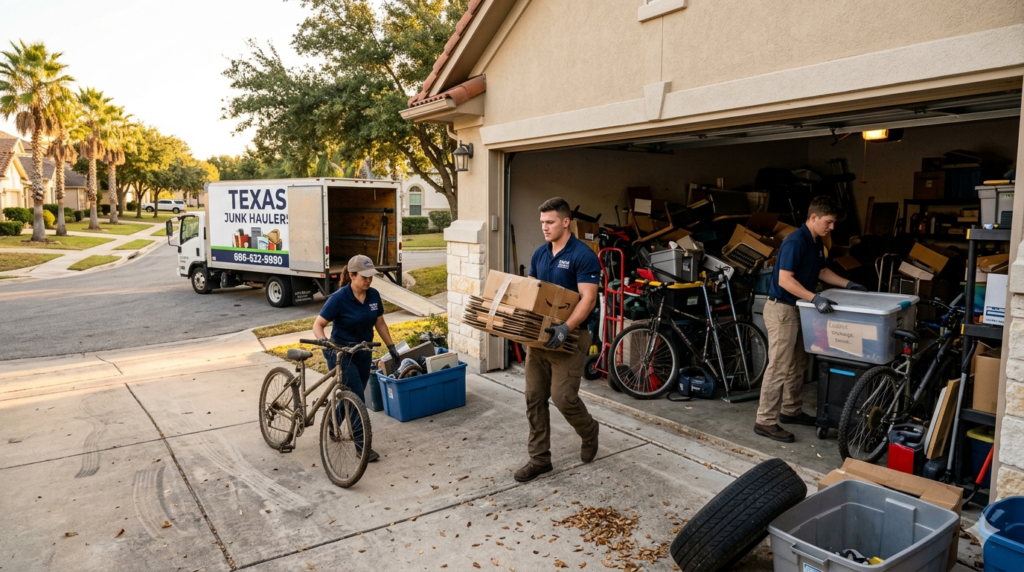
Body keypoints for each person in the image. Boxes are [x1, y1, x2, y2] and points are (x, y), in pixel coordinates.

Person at [754, 195, 867, 443]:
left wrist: (849, 284)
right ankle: (765, 421)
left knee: (799, 362)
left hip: (799, 308)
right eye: (829, 222)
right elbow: (785, 280)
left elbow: (822, 271)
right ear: (813, 217)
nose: (832, 227)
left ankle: (791, 411)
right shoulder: (795, 241)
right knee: (779, 366)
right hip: (782, 309)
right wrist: (814, 298)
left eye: (834, 223)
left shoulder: (816, 242)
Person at [515, 197, 602, 483]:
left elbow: (588, 299)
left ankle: (589, 431)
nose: (545, 227)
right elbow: (531, 292)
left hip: (571, 336)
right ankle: (540, 459)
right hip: (540, 337)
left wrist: (566, 327)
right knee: (534, 397)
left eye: (550, 222)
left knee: (563, 398)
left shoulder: (583, 255)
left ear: (566, 222)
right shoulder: (541, 254)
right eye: (542, 223)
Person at [313, 254, 401, 462]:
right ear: (352, 275)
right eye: (364, 276)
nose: (369, 280)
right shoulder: (339, 298)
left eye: (371, 276)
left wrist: (391, 346)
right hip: (341, 354)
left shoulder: (373, 296)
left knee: (354, 394)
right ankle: (362, 447)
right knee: (358, 400)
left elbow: (379, 322)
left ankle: (332, 425)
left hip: (363, 352)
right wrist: (325, 343)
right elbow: (318, 325)